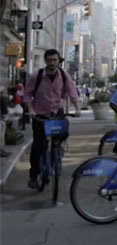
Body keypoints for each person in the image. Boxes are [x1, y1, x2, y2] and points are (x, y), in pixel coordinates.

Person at [23, 49, 80, 189]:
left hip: (56, 112)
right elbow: (27, 94)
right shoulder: (37, 76)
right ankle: (34, 176)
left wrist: (77, 108)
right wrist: (31, 110)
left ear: (58, 60)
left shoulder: (63, 75)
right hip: (40, 115)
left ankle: (56, 153)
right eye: (50, 60)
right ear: (45, 61)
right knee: (37, 146)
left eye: (55, 60)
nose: (52, 63)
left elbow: (72, 92)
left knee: (63, 134)